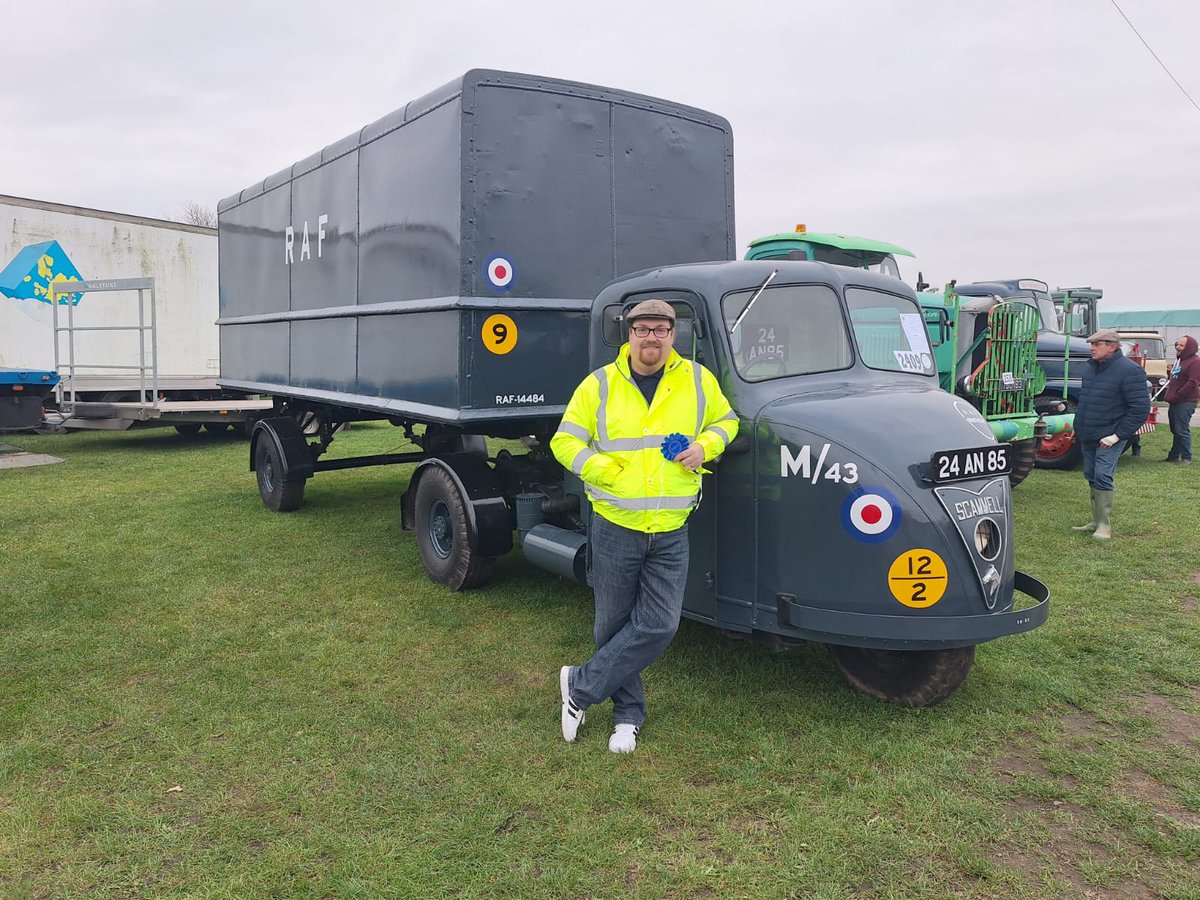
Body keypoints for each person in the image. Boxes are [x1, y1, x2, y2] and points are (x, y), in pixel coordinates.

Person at [550, 299, 738, 753]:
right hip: (616, 524)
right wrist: (604, 471)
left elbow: (727, 421)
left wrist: (705, 447)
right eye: (642, 329)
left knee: (660, 625)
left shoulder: (698, 379)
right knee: (612, 626)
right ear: (628, 333)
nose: (651, 337)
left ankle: (580, 685)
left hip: (671, 527)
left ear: (673, 334)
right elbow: (565, 441)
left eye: (660, 329)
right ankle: (627, 716)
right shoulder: (599, 385)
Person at [1070, 329, 1151, 540]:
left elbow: (1140, 408)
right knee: (1091, 474)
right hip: (1089, 432)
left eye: (1097, 344)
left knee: (1102, 475)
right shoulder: (1092, 368)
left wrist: (1117, 436)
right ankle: (1096, 521)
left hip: (1110, 435)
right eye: (1092, 344)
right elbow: (1086, 400)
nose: (1092, 348)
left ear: (1112, 346)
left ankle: (1104, 526)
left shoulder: (1129, 371)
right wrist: (1078, 426)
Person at [1164, 335, 1199, 466]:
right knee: (1175, 429)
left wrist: (1178, 395)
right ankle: (1173, 456)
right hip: (1175, 401)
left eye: (1181, 345)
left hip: (1185, 401)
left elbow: (1193, 382)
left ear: (1189, 347)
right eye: (1177, 344)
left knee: (1181, 430)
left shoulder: (1195, 362)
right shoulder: (1179, 361)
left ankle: (1186, 457)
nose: (1178, 347)